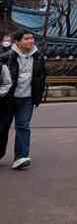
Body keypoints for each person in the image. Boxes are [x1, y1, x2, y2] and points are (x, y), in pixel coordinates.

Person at [1, 31, 47, 170]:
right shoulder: (6, 58)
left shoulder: (38, 57)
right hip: (7, 98)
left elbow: (41, 76)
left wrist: (38, 94)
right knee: (2, 128)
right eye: (26, 38)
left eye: (32, 38)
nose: (31, 41)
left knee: (23, 127)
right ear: (17, 42)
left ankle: (21, 157)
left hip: (27, 99)